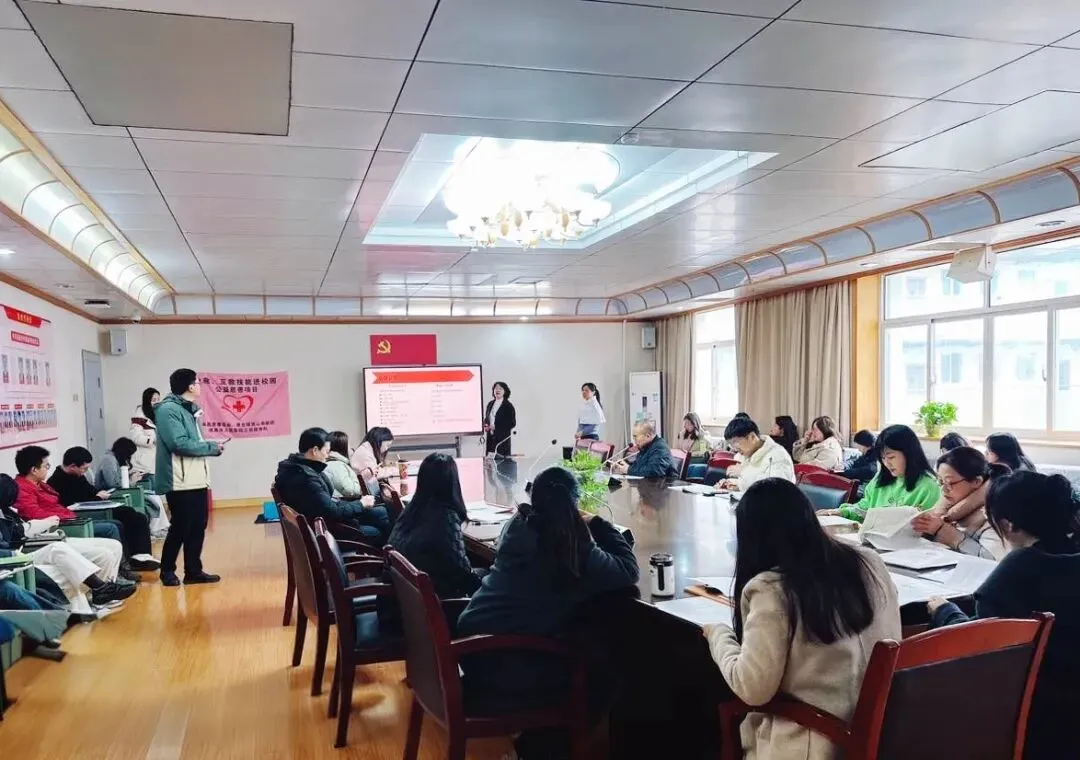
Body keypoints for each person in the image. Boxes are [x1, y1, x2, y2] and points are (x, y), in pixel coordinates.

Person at [703, 478, 900, 760]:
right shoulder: (870, 562)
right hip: (884, 735)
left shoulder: (773, 589)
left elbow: (752, 689)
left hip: (811, 745)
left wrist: (718, 635)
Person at [457, 466, 638, 758]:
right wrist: (597, 523)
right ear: (573, 504)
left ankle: (536, 743)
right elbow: (628, 570)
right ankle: (540, 749)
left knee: (583, 642)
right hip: (501, 660)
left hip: (472, 647)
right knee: (603, 674)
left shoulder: (517, 525)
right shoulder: (568, 544)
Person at [927, 470, 1080, 759]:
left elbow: (978, 645)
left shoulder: (1023, 565)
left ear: (1008, 525)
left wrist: (944, 611)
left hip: (1034, 715)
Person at [155, 368, 224, 587]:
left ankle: (193, 571)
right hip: (179, 479)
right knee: (180, 526)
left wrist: (211, 446)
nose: (200, 386)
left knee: (198, 525)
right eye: (197, 382)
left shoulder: (191, 408)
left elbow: (194, 442)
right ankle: (167, 570)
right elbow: (179, 443)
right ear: (190, 386)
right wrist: (212, 447)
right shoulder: (168, 410)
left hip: (196, 477)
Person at [384, 453, 482, 601]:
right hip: (438, 604)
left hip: (407, 602)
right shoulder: (445, 517)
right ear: (452, 483)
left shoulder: (411, 510)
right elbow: (462, 574)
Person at [48, 445, 158, 571]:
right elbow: (72, 504)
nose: (85, 472)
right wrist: (97, 498)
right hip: (84, 513)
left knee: (137, 515)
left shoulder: (77, 475)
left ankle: (141, 555)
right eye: (84, 468)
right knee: (127, 517)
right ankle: (132, 558)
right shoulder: (56, 482)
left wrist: (99, 495)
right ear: (73, 466)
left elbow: (90, 491)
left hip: (95, 506)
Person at [275, 427, 391, 544]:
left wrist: (359, 504)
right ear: (315, 450)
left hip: (326, 523)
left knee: (382, 512)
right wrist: (361, 504)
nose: (328, 455)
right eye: (327, 451)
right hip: (328, 531)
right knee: (380, 528)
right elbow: (331, 511)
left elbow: (327, 505)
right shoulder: (307, 478)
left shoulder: (297, 469)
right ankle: (391, 552)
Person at [910, 447, 1009, 560]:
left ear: (976, 481)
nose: (944, 489)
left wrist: (941, 530)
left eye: (950, 483)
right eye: (941, 481)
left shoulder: (993, 514)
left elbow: (991, 560)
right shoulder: (947, 508)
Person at [831, 425, 940, 522]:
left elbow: (927, 527)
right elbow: (863, 508)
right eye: (883, 458)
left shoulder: (929, 486)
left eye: (891, 457)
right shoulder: (880, 479)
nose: (887, 463)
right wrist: (841, 512)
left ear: (909, 453)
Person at [718, 416, 795, 492]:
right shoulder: (751, 452)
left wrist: (743, 472)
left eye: (735, 442)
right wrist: (734, 484)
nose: (735, 448)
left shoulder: (778, 455)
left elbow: (777, 489)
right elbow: (752, 480)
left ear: (752, 437)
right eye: (731, 444)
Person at [323, 431, 364, 499]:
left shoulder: (334, 463)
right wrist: (355, 477)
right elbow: (351, 491)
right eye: (349, 445)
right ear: (342, 448)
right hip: (345, 503)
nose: (351, 449)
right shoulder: (337, 466)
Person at [130, 387, 159, 476]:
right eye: (154, 400)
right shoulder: (139, 417)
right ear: (147, 401)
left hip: (156, 461)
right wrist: (153, 439)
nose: (157, 403)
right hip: (143, 464)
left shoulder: (157, 415)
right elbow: (136, 437)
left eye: (158, 400)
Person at [483, 381, 517, 457]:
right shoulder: (490, 404)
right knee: (490, 461)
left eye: (500, 389)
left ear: (505, 391)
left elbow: (512, 423)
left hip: (502, 440)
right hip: (490, 438)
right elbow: (487, 418)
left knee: (502, 462)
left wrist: (496, 426)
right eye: (496, 388)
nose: (497, 390)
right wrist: (485, 425)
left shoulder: (508, 406)